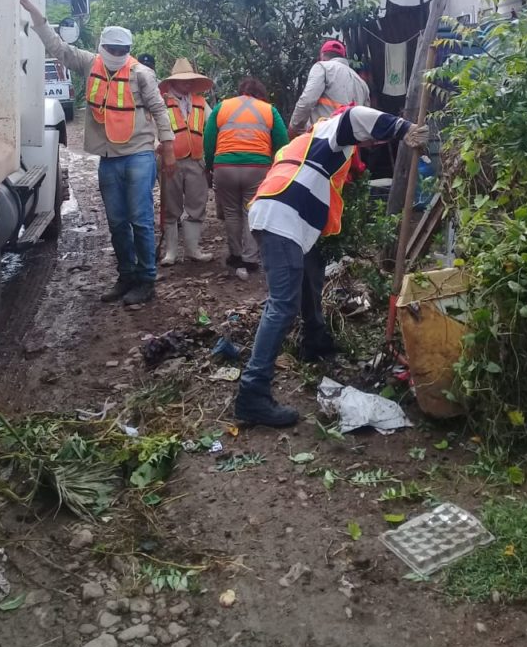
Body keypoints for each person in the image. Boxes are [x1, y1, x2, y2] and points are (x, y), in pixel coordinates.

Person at [235, 105, 429, 427]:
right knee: (283, 305)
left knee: (310, 275)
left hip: (280, 216)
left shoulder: (299, 145)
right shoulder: (330, 130)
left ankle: (316, 340)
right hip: (281, 219)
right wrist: (401, 127)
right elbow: (355, 118)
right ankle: (252, 393)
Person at [19, 0, 175, 306]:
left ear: (128, 50)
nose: (116, 53)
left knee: (140, 219)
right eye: (112, 49)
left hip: (140, 155)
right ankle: (126, 276)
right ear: (102, 48)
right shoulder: (91, 64)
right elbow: (57, 47)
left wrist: (168, 149)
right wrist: (34, 12)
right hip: (108, 159)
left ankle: (146, 280)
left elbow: (159, 110)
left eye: (121, 50)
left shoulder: (141, 74)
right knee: (117, 222)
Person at [203, 78, 288, 279]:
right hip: (257, 168)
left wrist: (209, 166)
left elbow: (208, 140)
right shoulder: (269, 110)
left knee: (232, 213)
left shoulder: (222, 107)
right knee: (252, 211)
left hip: (225, 167)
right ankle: (250, 259)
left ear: (240, 91)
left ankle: (235, 255)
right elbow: (282, 142)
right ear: (260, 93)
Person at [158, 59, 214, 265]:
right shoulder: (161, 102)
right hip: (170, 160)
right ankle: (171, 252)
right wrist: (158, 145)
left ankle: (193, 250)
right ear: (174, 82)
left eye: (190, 80)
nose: (188, 83)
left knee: (196, 204)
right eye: (184, 80)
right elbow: (153, 127)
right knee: (171, 206)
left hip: (196, 159)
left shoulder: (200, 102)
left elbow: (212, 123)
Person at [289, 39, 370, 137]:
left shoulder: (323, 67)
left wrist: (294, 127)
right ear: (343, 57)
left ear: (322, 56)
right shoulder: (361, 83)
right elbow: (365, 118)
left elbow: (307, 100)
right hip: (350, 145)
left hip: (325, 139)